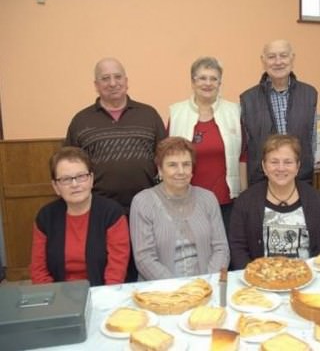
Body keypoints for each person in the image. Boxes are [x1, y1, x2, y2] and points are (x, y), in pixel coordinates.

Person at [229, 134, 320, 270]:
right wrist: (253, 275)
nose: (281, 168)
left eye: (288, 162)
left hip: (307, 277)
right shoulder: (246, 202)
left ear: (297, 166)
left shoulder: (316, 199)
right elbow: (237, 248)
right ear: (264, 166)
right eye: (274, 162)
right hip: (261, 280)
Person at [65, 57, 167, 214]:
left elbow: (165, 157)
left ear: (126, 81)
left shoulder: (149, 115)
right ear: (96, 85)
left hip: (148, 206)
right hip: (98, 209)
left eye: (117, 77)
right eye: (105, 78)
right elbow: (69, 166)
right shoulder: (80, 121)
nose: (113, 83)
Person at [129, 137, 230, 280]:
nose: (181, 171)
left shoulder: (208, 199)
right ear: (160, 169)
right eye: (172, 165)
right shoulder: (143, 202)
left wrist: (208, 282)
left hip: (207, 286)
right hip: (162, 291)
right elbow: (144, 259)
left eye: (186, 164)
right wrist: (178, 290)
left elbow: (221, 249)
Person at [30, 147, 130, 286]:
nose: (75, 184)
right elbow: (38, 270)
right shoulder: (45, 217)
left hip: (101, 292)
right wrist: (54, 300)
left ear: (91, 179)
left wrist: (104, 298)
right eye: (66, 179)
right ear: (56, 186)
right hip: (59, 295)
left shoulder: (112, 213)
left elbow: (116, 271)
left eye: (81, 176)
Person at [168, 57, 246, 233]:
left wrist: (244, 193)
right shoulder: (177, 113)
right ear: (192, 82)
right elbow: (166, 157)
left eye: (213, 78)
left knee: (227, 253)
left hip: (227, 200)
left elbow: (243, 155)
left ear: (220, 83)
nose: (208, 83)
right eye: (202, 78)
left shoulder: (234, 112)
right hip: (187, 200)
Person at [240, 39, 317, 186]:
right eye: (271, 57)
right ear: (263, 61)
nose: (278, 61)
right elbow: (247, 148)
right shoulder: (248, 99)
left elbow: (312, 142)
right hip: (261, 184)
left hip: (300, 181)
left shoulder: (310, 94)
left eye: (283, 55)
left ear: (292, 58)